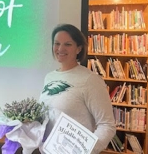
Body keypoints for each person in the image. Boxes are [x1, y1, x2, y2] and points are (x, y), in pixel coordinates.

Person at [39, 23, 116, 154]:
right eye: (57, 43)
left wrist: (85, 150)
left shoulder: (90, 80)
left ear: (79, 48)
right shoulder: (49, 77)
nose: (60, 48)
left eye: (67, 44)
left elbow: (107, 125)